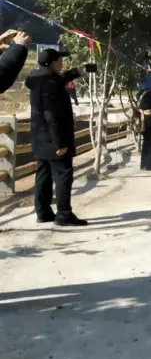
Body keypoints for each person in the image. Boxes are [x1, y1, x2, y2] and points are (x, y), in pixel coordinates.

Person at [24, 48, 87, 226]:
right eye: (60, 60)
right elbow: (53, 115)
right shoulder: (52, 84)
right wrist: (60, 142)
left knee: (43, 175)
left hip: (40, 139)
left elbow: (60, 78)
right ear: (54, 63)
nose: (62, 63)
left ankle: (43, 212)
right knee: (63, 175)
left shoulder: (38, 79)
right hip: (54, 139)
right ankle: (64, 214)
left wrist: (78, 71)